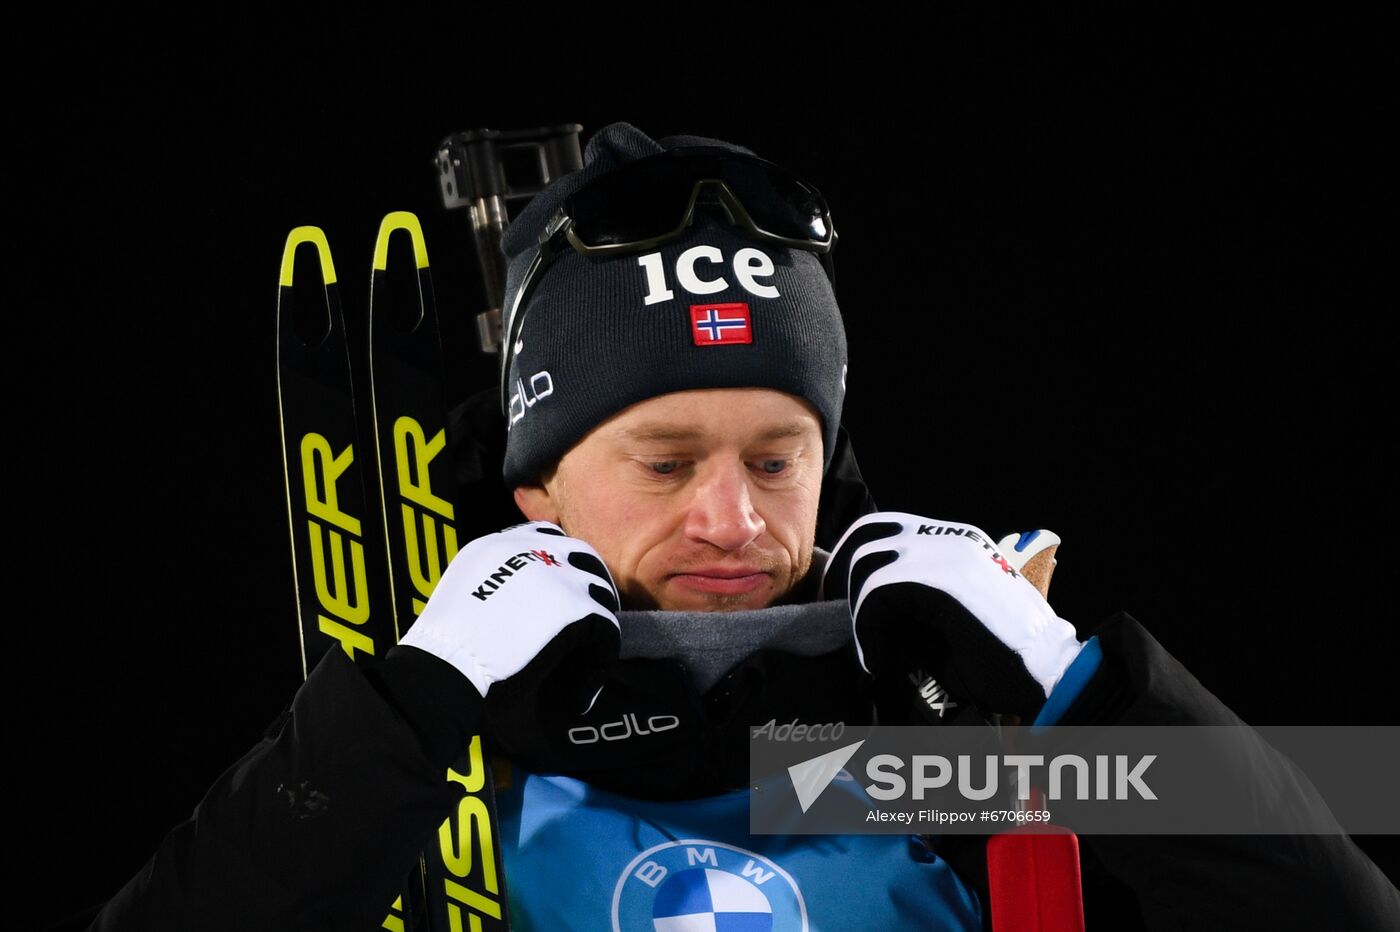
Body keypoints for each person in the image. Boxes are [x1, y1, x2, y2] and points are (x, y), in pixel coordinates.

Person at [84, 122, 1398, 931]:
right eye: (662, 462)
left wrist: (1084, 691)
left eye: (778, 457)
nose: (732, 518)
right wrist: (402, 715)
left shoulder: (897, 759)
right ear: (535, 491)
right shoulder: (428, 762)